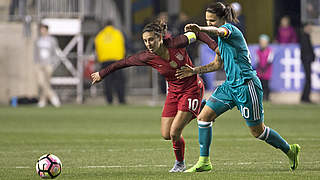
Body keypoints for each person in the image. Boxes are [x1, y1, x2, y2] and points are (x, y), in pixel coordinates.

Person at [175, 2, 300, 172]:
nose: (209, 23)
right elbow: (217, 64)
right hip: (230, 86)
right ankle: (204, 162)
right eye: (207, 20)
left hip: (247, 86)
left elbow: (220, 31)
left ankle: (290, 150)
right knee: (204, 118)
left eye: (212, 20)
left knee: (258, 132)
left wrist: (201, 29)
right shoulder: (221, 39)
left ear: (222, 19)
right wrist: (194, 71)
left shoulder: (230, 30)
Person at [91, 20, 219, 172]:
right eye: (145, 41)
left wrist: (215, 47)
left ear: (160, 37)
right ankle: (201, 108)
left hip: (191, 89)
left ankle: (180, 164)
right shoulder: (146, 57)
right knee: (166, 134)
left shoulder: (177, 42)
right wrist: (102, 73)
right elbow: (123, 63)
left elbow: (197, 34)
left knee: (174, 132)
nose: (148, 44)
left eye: (151, 39)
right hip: (173, 92)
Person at [95, 20, 126, 104]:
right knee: (119, 81)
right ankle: (121, 100)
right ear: (112, 25)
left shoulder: (100, 35)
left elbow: (97, 49)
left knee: (107, 82)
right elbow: (123, 45)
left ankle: (109, 100)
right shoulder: (118, 33)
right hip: (117, 60)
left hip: (105, 61)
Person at [34, 24, 61, 108]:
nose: (42, 31)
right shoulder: (38, 40)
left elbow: (55, 53)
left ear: (47, 30)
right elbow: (35, 53)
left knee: (46, 82)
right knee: (41, 82)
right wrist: (35, 62)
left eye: (43, 29)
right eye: (41, 29)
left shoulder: (52, 40)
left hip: (48, 64)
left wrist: (53, 63)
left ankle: (43, 101)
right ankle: (53, 97)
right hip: (39, 64)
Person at [300, 22, 315, 103]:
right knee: (308, 79)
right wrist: (310, 57)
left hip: (307, 61)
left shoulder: (306, 36)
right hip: (306, 61)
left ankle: (305, 97)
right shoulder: (304, 37)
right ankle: (305, 97)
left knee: (308, 79)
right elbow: (306, 51)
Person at [256, 34, 274, 101]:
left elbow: (269, 61)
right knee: (260, 85)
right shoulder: (258, 51)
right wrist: (261, 68)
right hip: (260, 71)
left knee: (266, 85)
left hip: (267, 71)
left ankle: (267, 97)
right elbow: (257, 61)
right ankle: (261, 97)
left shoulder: (269, 51)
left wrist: (264, 68)